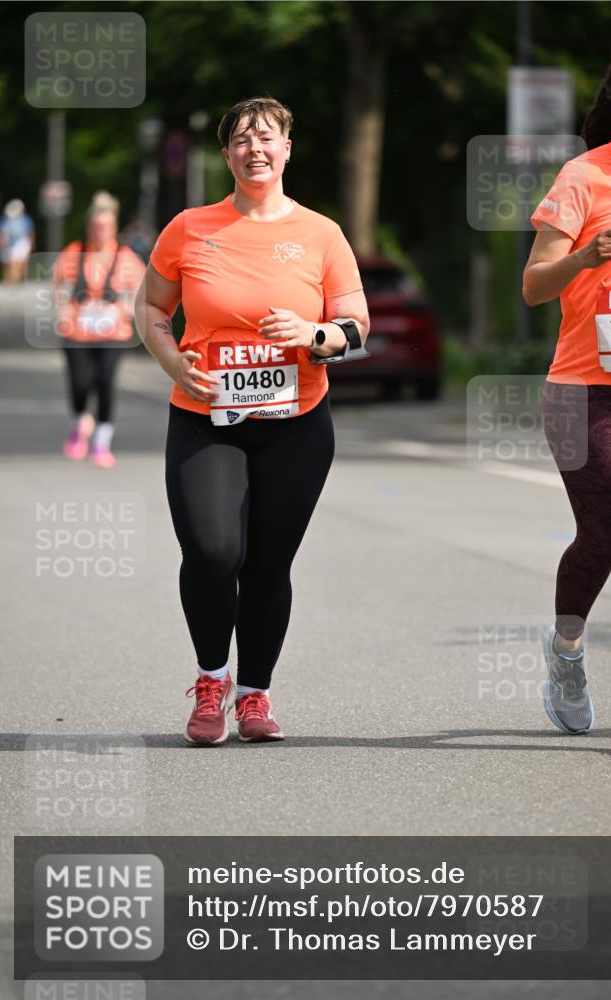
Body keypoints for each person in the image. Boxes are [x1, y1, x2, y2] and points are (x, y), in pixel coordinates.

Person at [135, 97, 369, 744]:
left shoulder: (322, 234)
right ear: (226, 155)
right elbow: (151, 310)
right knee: (213, 551)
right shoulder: (189, 227)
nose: (254, 149)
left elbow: (355, 326)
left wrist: (314, 333)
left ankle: (255, 696)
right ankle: (212, 680)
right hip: (205, 418)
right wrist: (172, 362)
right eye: (241, 139)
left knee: (267, 564)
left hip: (297, 423)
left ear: (287, 149)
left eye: (266, 137)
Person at [523, 41, 611, 751]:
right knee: (601, 538)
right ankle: (567, 650)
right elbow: (533, 284)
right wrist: (581, 257)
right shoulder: (583, 176)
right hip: (587, 388)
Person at [54, 192, 146, 467]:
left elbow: (142, 294)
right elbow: (58, 287)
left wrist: (125, 308)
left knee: (106, 381)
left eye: (106, 226)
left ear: (114, 227)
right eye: (96, 226)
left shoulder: (126, 258)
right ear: (89, 227)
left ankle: (102, 441)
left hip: (112, 333)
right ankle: (79, 423)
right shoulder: (74, 252)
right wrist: (62, 307)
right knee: (80, 383)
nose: (101, 231)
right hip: (77, 332)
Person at [0, 199, 34, 282]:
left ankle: (14, 281)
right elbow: (0, 234)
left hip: (20, 244)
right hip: (7, 245)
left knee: (17, 263)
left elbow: (30, 233)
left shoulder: (25, 220)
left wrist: (31, 243)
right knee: (8, 265)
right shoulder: (4, 221)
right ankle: (10, 281)